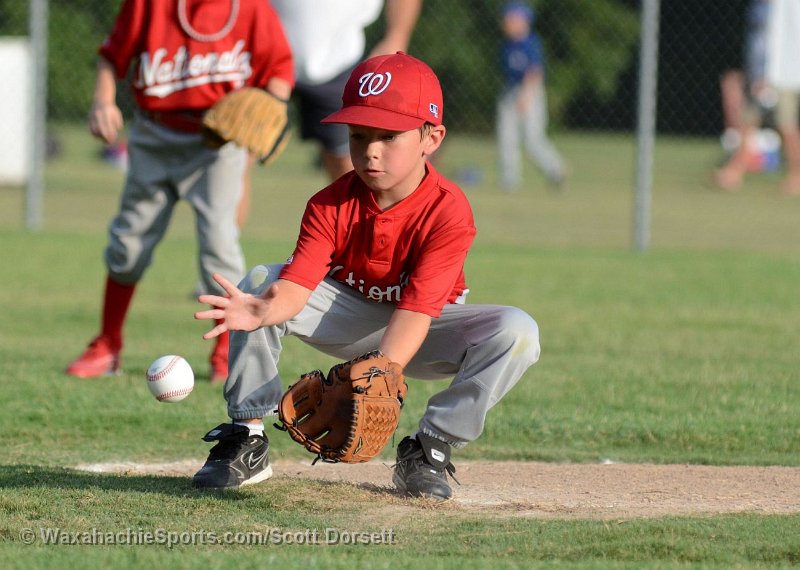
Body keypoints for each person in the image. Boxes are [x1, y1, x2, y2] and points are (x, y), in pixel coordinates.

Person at [191, 52, 541, 500]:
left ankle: (430, 446)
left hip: (423, 329)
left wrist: (381, 376)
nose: (371, 151)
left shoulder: (448, 211)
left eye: (389, 136)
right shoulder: (329, 203)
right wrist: (265, 309)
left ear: (432, 137)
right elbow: (296, 288)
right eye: (358, 135)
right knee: (262, 280)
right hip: (345, 320)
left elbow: (416, 312)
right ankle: (247, 435)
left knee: (517, 331)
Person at [65, 0, 294, 382]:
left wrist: (274, 102)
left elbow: (280, 68)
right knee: (129, 244)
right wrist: (102, 101)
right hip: (154, 134)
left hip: (218, 143)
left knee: (220, 246)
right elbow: (111, 56)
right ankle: (107, 344)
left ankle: (226, 351)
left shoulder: (251, 7)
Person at [234, 0, 423, 229]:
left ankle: (369, 247)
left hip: (338, 61)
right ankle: (222, 250)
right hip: (261, 56)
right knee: (235, 160)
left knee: (357, 168)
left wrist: (397, 36)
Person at [496, 1, 566, 192]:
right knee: (506, 136)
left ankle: (556, 170)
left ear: (523, 21)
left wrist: (526, 96)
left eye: (511, 19)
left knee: (532, 139)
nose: (506, 23)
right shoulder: (507, 44)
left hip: (530, 91)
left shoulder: (530, 43)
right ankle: (510, 178)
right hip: (510, 90)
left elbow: (535, 72)